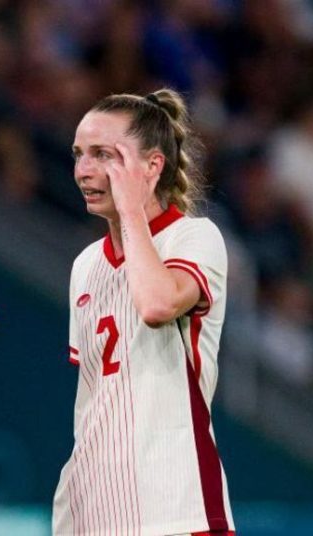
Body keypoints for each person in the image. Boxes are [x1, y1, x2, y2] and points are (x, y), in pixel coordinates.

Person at [53, 89, 235, 535]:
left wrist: (132, 208)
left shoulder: (194, 237)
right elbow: (93, 401)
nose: (84, 171)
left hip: (175, 509)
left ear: (152, 166)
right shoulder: (85, 266)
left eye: (104, 155)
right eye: (79, 155)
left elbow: (156, 304)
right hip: (93, 512)